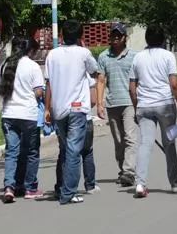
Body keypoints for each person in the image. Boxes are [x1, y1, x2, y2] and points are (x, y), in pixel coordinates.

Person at [129, 25, 177, 199]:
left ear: (147, 39)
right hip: (165, 105)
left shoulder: (137, 58)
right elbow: (174, 84)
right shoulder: (168, 56)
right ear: (163, 39)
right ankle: (174, 183)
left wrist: (136, 108)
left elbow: (132, 88)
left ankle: (140, 183)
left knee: (145, 144)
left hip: (144, 107)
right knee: (169, 143)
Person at [44, 19, 99, 205]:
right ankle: (69, 192)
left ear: (61, 35)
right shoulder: (84, 53)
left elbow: (48, 83)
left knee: (65, 150)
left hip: (58, 109)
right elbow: (95, 72)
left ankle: (60, 188)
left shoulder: (52, 55)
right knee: (74, 151)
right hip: (77, 109)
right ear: (81, 36)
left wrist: (47, 108)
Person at [0, 37, 44, 203]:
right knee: (31, 151)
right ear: (30, 51)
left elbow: (0, 87)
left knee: (11, 152)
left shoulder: (5, 65)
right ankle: (30, 187)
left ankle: (10, 187)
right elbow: (38, 92)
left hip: (8, 115)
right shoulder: (32, 66)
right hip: (28, 115)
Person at [96, 23, 139, 187]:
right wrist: (100, 104)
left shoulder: (134, 56)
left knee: (130, 137)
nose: (116, 37)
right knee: (118, 140)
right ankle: (123, 170)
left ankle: (129, 171)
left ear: (124, 37)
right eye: (113, 35)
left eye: (119, 35)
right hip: (112, 103)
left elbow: (139, 79)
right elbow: (100, 81)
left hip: (129, 102)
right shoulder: (103, 57)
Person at [81, 73, 99, 194]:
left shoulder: (57, 69)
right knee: (87, 152)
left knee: (65, 153)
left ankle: (62, 187)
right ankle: (90, 185)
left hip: (63, 116)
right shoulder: (84, 74)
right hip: (83, 115)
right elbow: (93, 100)